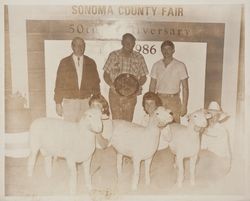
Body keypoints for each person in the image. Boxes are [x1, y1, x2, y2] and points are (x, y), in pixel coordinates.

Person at [103, 33, 149, 122]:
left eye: (131, 43)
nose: (129, 45)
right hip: (115, 94)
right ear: (122, 42)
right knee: (116, 122)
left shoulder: (139, 57)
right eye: (126, 42)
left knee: (128, 122)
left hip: (131, 95)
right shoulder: (113, 55)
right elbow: (106, 74)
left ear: (134, 44)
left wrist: (137, 86)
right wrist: (111, 85)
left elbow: (144, 76)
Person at [54, 37, 101, 122]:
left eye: (82, 45)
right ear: (72, 47)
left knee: (85, 131)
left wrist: (96, 101)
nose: (80, 48)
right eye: (77, 45)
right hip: (70, 103)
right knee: (70, 131)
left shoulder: (91, 63)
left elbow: (96, 84)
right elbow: (59, 83)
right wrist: (58, 102)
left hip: (86, 103)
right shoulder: (64, 62)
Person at [149, 40, 189, 123]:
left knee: (174, 127)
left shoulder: (180, 65)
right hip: (159, 99)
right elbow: (152, 86)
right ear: (161, 50)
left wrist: (184, 106)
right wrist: (151, 103)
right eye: (164, 49)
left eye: (168, 49)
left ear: (173, 50)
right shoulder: (156, 65)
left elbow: (185, 87)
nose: (166, 51)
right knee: (159, 125)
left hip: (174, 100)